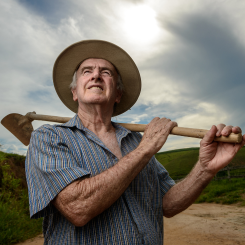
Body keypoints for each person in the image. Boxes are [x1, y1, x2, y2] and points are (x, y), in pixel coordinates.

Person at [25, 40, 245, 245]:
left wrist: (205, 168)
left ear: (118, 94)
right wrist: (146, 149)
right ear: (74, 92)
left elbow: (167, 204)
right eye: (87, 71)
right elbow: (77, 208)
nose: (96, 76)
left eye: (106, 72)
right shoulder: (48, 137)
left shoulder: (135, 141)